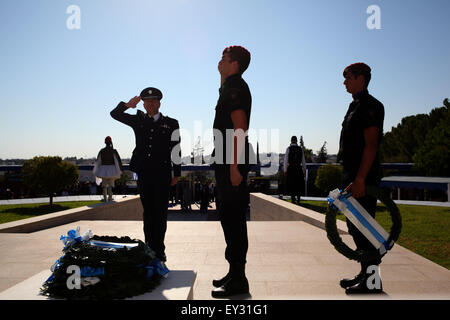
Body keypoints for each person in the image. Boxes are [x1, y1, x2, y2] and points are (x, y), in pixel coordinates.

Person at [110, 87, 181, 264]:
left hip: (163, 173)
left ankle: (159, 249)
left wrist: (176, 173)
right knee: (148, 212)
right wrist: (127, 105)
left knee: (160, 213)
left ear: (159, 103)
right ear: (143, 103)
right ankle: (150, 247)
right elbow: (114, 114)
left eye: (154, 101)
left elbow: (176, 149)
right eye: (147, 101)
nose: (150, 104)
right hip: (144, 173)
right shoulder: (138, 120)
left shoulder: (171, 123)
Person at [337, 62, 385, 294]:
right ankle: (365, 273)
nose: (344, 81)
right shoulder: (354, 105)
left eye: (348, 77)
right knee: (355, 227)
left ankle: (372, 282)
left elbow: (371, 144)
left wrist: (361, 179)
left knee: (364, 229)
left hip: (363, 176)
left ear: (361, 79)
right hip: (352, 174)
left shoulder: (371, 106)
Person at [211, 45, 252, 298]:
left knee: (235, 219)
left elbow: (239, 127)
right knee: (227, 217)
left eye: (224, 59)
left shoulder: (236, 88)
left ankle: (239, 279)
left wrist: (234, 166)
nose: (220, 61)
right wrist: (221, 76)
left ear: (234, 63)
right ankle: (233, 272)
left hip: (231, 161)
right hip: (225, 160)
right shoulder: (229, 86)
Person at [93, 136, 123, 202]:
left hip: (103, 169)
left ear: (105, 142)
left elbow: (98, 161)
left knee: (104, 185)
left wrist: (97, 170)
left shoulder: (102, 151)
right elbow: (118, 161)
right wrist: (120, 169)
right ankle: (110, 198)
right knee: (111, 185)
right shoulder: (113, 151)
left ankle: (105, 198)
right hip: (112, 170)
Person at [283, 136, 306, 204]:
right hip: (298, 168)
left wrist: (285, 170)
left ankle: (293, 199)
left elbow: (285, 160)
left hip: (291, 169)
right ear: (296, 141)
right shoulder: (300, 149)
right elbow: (303, 161)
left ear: (291, 141)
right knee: (298, 184)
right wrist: (304, 170)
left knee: (291, 184)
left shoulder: (288, 149)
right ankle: (298, 199)